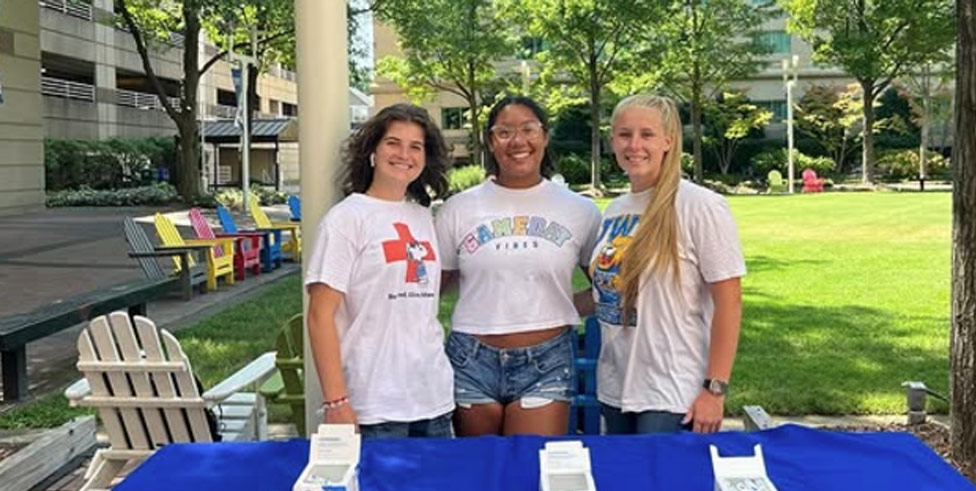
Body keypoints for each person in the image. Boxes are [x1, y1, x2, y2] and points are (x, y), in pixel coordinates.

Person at [435, 96, 603, 436]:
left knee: (530, 468)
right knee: (481, 471)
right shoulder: (457, 209)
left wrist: (557, 304)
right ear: (490, 142)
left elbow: (608, 287)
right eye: (504, 132)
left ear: (544, 136)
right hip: (471, 359)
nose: (518, 141)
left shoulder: (580, 211)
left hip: (548, 360)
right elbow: (430, 290)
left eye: (528, 129)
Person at [589, 94, 744, 434]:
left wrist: (714, 390)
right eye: (624, 134)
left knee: (662, 485)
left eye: (647, 134)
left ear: (668, 142)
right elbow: (609, 290)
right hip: (616, 386)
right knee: (623, 485)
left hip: (672, 392)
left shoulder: (700, 206)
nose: (634, 145)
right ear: (612, 140)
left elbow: (729, 302)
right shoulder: (614, 210)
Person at [306, 103, 454, 439]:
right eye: (393, 143)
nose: (404, 154)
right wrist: (336, 402)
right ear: (372, 149)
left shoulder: (422, 217)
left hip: (432, 397)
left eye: (415, 146)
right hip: (373, 403)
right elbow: (319, 316)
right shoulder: (347, 219)